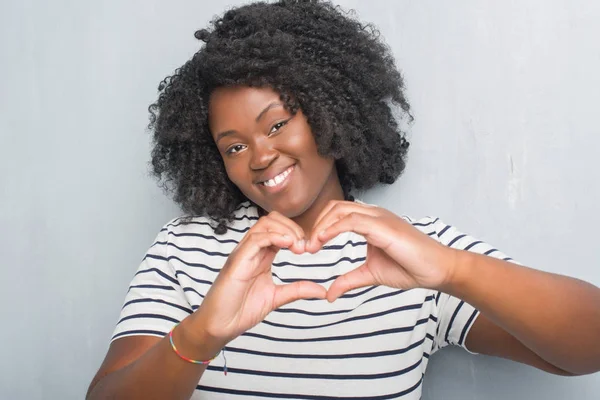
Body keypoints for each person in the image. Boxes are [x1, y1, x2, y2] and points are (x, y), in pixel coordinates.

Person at [86, 1, 600, 399]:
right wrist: (202, 335)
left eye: (278, 124)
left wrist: (450, 270)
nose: (261, 157)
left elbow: (586, 348)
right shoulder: (185, 248)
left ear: (328, 110)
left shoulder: (413, 253)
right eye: (235, 147)